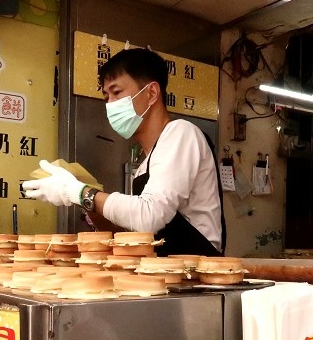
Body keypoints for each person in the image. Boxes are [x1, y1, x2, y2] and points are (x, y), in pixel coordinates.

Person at [22, 48, 225, 256]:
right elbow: (139, 235)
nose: (110, 104)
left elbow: (149, 217)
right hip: (167, 275)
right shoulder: (145, 164)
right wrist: (86, 203)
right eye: (106, 96)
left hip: (200, 277)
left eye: (117, 92)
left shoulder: (182, 132)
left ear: (151, 93)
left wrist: (80, 192)